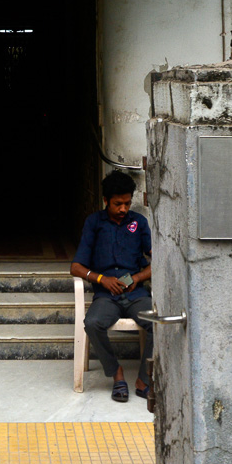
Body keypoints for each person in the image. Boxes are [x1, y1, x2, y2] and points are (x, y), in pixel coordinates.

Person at [71, 171, 153, 403]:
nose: (123, 209)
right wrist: (101, 279)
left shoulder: (139, 222)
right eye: (118, 204)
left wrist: (137, 277)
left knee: (159, 323)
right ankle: (116, 373)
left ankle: (144, 380)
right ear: (106, 200)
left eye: (127, 203)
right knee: (92, 323)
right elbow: (76, 267)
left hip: (136, 294)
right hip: (106, 296)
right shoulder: (94, 223)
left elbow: (159, 260)